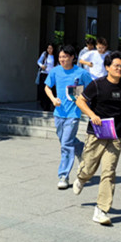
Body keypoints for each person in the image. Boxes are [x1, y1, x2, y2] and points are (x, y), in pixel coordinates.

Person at [73, 51, 121, 226]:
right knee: (89, 166)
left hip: (115, 134)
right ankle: (82, 178)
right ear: (107, 67)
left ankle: (101, 209)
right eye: (116, 66)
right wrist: (92, 115)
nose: (119, 69)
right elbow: (80, 101)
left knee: (109, 171)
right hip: (97, 133)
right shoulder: (97, 85)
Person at [44, 45, 93, 190]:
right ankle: (81, 150)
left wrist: (85, 102)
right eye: (60, 57)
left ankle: (63, 176)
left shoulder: (81, 73)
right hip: (59, 113)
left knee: (65, 144)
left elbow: (92, 89)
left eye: (65, 57)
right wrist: (53, 99)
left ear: (72, 57)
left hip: (73, 114)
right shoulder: (55, 71)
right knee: (65, 140)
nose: (62, 59)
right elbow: (47, 87)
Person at [36, 43, 56, 111]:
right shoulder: (45, 54)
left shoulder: (55, 56)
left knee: (51, 90)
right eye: (48, 48)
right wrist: (42, 66)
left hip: (51, 75)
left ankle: (49, 105)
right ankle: (43, 104)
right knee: (43, 90)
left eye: (51, 48)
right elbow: (39, 61)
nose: (49, 50)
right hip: (44, 74)